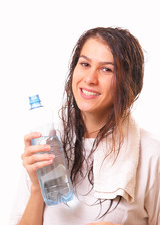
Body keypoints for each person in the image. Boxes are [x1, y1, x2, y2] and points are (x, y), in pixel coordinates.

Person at [10, 27, 160, 225]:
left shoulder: (150, 154)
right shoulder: (48, 143)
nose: (90, 79)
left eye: (107, 69)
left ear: (128, 81)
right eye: (85, 64)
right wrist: (38, 188)